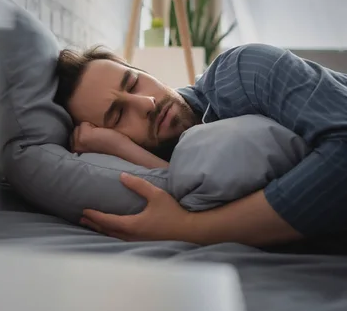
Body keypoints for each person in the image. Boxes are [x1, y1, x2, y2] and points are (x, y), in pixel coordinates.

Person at [54, 43, 347, 247]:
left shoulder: (243, 71)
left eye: (134, 83)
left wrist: (188, 229)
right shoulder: (183, 165)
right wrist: (120, 149)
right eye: (118, 116)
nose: (146, 103)